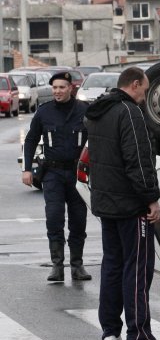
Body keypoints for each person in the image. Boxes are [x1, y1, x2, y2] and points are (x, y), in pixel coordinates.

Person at [84, 67, 160, 340]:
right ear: (134, 85)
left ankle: (110, 333)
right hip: (130, 205)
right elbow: (138, 160)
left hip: (105, 203)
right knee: (137, 269)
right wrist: (151, 199)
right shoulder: (129, 112)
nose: (145, 97)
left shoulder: (97, 112)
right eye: (145, 91)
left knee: (112, 267)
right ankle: (139, 338)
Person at [22, 71, 92, 283]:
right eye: (54, 88)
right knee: (54, 218)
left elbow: (96, 140)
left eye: (62, 87)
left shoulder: (84, 111)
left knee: (78, 220)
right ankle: (57, 266)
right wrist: (27, 169)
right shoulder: (44, 112)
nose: (57, 91)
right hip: (52, 173)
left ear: (71, 88)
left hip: (77, 174)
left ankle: (77, 265)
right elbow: (31, 140)